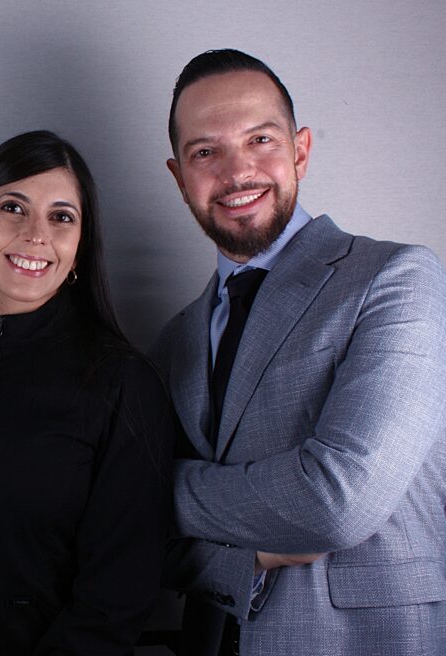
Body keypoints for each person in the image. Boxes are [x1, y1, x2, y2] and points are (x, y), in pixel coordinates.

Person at [153, 49, 446, 655]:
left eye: (260, 139)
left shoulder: (397, 279)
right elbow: (136, 543)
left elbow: (338, 504)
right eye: (205, 152)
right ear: (180, 178)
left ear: (300, 151)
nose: (237, 172)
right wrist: (247, 559)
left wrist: (153, 487)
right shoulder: (173, 340)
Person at [0, 130, 174, 655]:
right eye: (13, 207)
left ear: (81, 245)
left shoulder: (121, 383)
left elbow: (117, 596)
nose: (35, 234)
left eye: (61, 217)